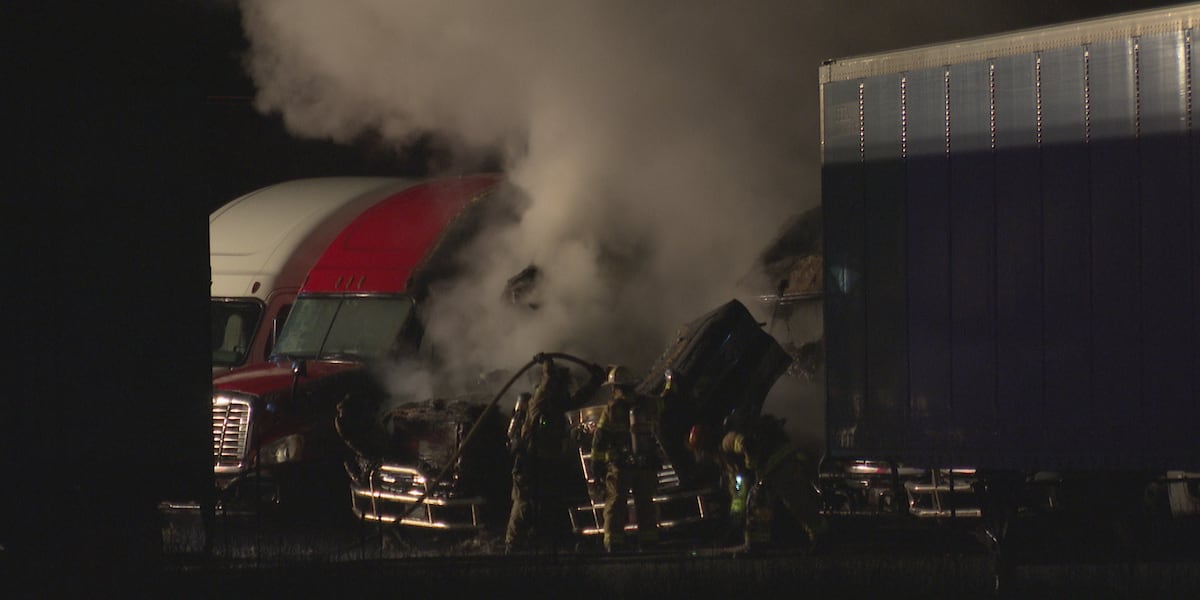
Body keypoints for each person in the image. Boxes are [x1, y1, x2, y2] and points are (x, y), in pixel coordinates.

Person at [505, 355, 605, 552]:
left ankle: (544, 547)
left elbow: (580, 397)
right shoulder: (538, 404)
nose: (565, 390)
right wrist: (547, 366)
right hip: (530, 465)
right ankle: (513, 550)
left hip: (546, 465)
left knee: (547, 508)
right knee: (524, 508)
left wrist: (596, 381)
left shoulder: (556, 406)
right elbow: (546, 387)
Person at [718, 414, 827, 553]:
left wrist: (751, 464)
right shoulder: (760, 429)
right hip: (784, 462)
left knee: (769, 502)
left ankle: (757, 544)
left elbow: (742, 443)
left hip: (777, 465)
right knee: (790, 502)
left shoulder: (727, 440)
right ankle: (819, 535)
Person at [589, 365, 665, 552]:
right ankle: (649, 541)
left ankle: (614, 543)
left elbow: (600, 438)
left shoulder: (612, 409)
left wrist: (596, 465)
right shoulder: (647, 404)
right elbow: (664, 405)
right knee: (645, 503)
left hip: (621, 465)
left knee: (615, 504)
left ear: (615, 387)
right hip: (644, 463)